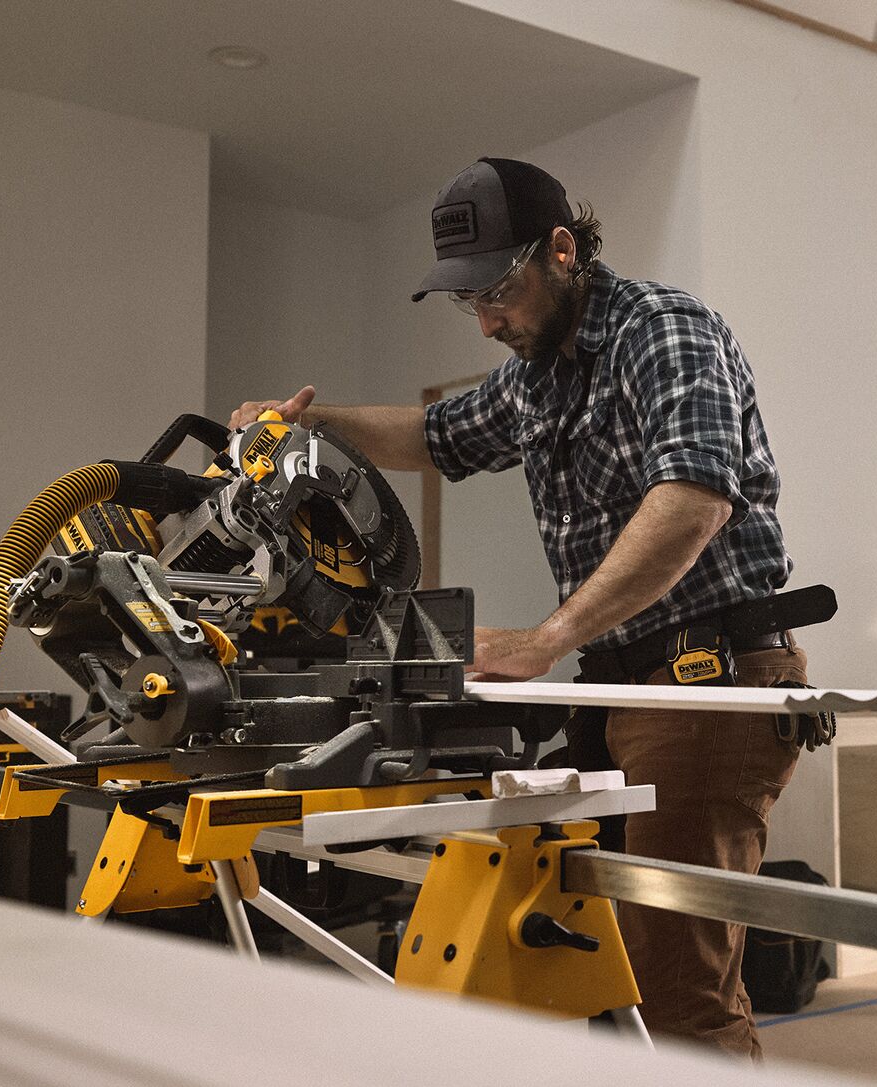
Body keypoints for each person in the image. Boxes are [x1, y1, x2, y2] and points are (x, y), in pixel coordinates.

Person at [231, 158, 805, 1058]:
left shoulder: (664, 331)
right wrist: (308, 426)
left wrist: (549, 638)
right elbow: (431, 434)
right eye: (471, 302)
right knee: (578, 952)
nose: (489, 320)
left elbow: (693, 501)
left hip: (708, 677)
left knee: (673, 990)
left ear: (564, 251)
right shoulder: (536, 374)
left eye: (499, 290)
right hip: (617, 681)